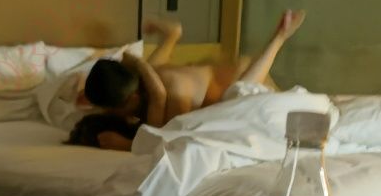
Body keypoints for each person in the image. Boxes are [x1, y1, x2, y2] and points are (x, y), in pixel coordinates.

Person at [69, 9, 306, 150]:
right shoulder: (149, 74)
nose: (118, 115)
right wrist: (140, 65)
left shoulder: (172, 95)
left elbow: (170, 141)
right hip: (225, 74)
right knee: (157, 68)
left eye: (117, 110)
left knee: (233, 102)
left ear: (131, 98)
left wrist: (127, 143)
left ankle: (278, 38)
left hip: (243, 85)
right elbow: (143, 82)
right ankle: (172, 35)